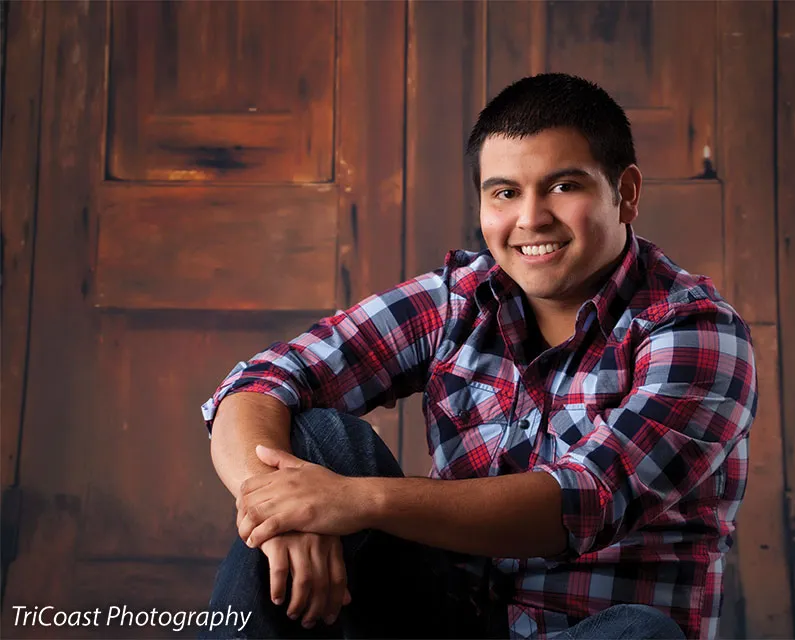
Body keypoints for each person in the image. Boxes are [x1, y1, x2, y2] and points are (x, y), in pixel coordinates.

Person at [199, 73, 755, 640]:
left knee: (643, 634)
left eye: (564, 187)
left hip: (591, 629)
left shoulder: (696, 331)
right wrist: (281, 513)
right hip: (437, 616)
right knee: (318, 437)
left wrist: (352, 500)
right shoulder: (460, 297)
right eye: (506, 193)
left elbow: (586, 499)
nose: (532, 218)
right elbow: (259, 382)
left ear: (626, 192)